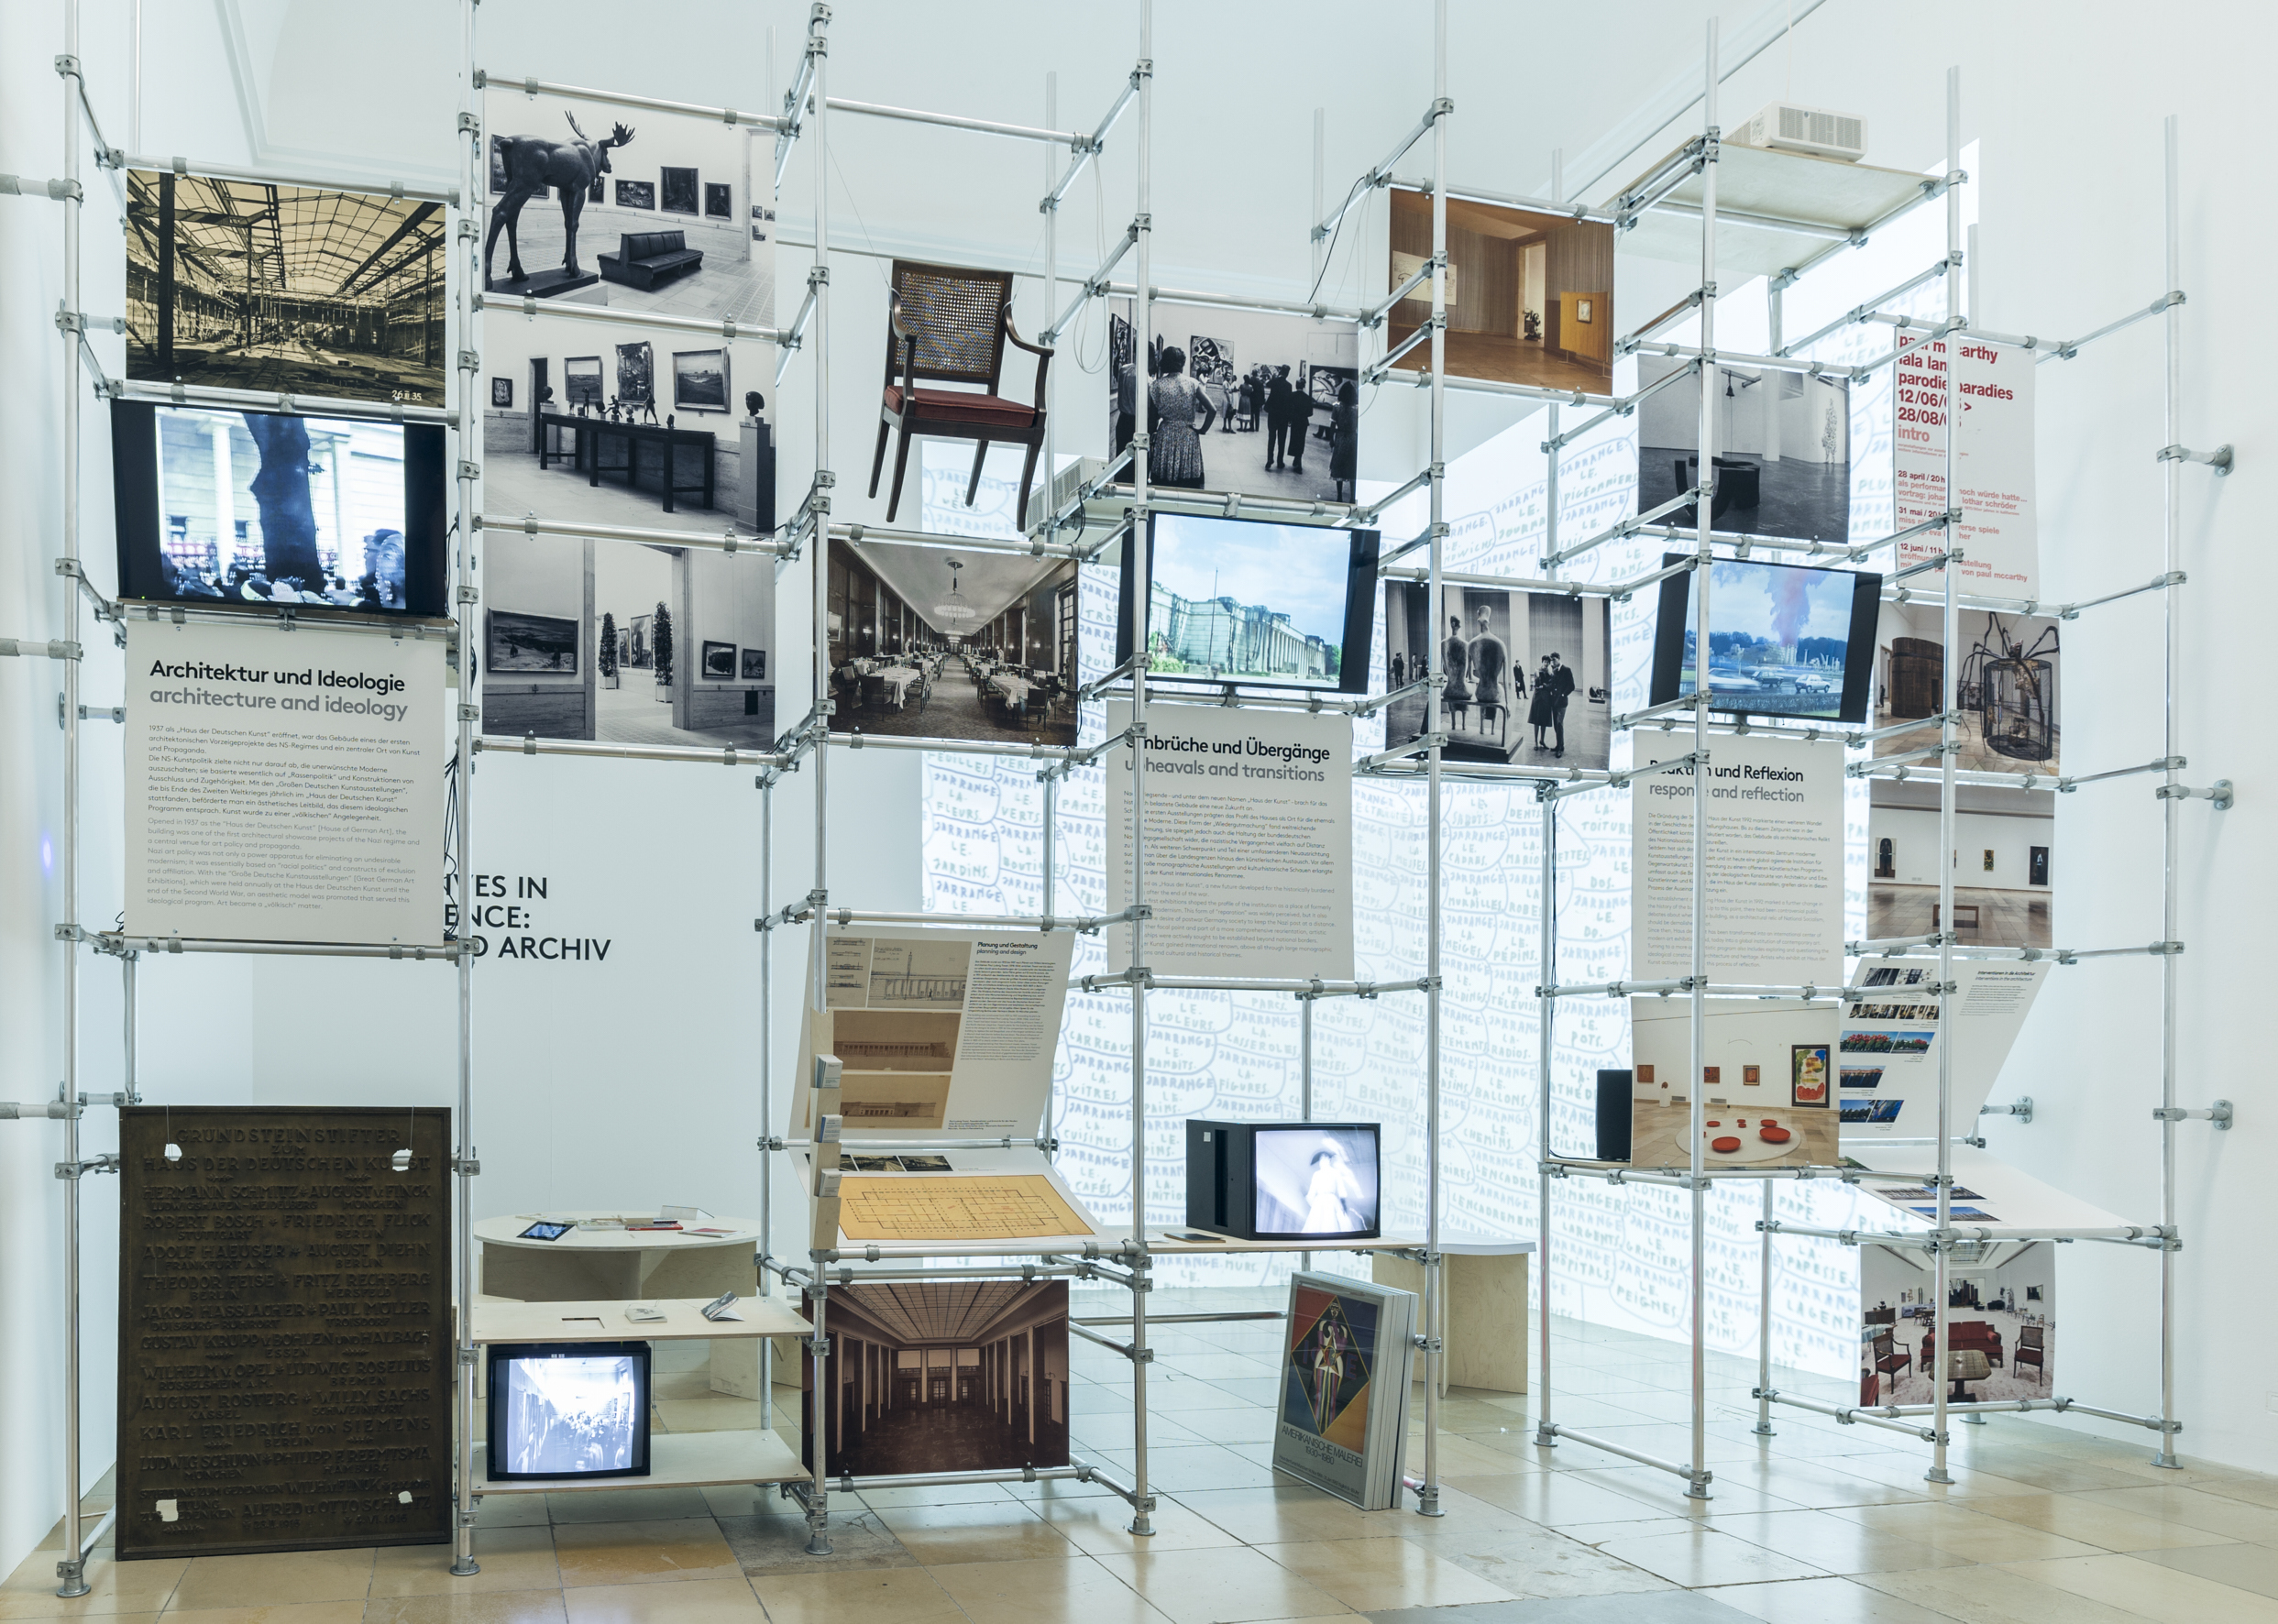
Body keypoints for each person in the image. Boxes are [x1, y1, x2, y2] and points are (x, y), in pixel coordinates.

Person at [1147, 345, 1213, 488]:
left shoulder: (1157, 385)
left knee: (1164, 481)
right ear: (1182, 364)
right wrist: (1202, 430)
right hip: (1188, 435)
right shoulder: (1193, 384)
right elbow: (1212, 410)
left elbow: (1152, 418)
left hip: (1166, 435)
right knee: (1187, 479)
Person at [1466, 600, 1509, 745]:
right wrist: (1507, 704)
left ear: (1478, 618)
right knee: (1498, 687)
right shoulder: (1499, 644)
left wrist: (1480, 681)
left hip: (1481, 693)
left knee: (1482, 689)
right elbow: (1506, 677)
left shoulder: (1472, 644)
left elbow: (1469, 677)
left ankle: (1482, 728)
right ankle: (1491, 730)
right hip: (1495, 693)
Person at [1301, 1141, 1368, 1234]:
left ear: (1329, 1159)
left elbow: (1341, 1189)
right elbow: (1312, 1192)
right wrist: (1306, 1195)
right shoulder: (1316, 1175)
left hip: (1331, 1200)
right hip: (1319, 1201)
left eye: (1326, 1157)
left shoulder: (1335, 1172)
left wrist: (1343, 1204)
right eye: (1321, 1159)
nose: (1323, 1160)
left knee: (1331, 1223)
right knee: (1316, 1224)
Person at [1541, 650, 1577, 756]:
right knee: (1556, 725)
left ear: (1559, 659)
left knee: (1559, 723)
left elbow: (1572, 686)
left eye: (1554, 660)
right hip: (1554, 703)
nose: (1552, 662)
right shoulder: (1555, 671)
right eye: (1551, 660)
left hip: (1562, 703)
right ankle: (1559, 745)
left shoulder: (1566, 670)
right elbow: (1552, 685)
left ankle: (1560, 749)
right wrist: (1543, 685)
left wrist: (1563, 695)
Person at [1328, 379, 1359, 503]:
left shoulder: (1337, 407)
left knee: (1338, 467)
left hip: (1340, 438)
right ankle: (1352, 497)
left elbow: (1332, 425)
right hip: (1352, 439)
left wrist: (1331, 439)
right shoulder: (1357, 409)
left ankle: (1339, 496)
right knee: (1351, 467)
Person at [1441, 613, 1470, 732]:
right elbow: (1466, 670)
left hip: (1449, 689)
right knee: (1466, 690)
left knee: (1451, 693)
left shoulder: (1443, 643)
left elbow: (1445, 668)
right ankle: (1463, 724)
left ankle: (1453, 724)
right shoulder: (1465, 644)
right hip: (1463, 690)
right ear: (1455, 625)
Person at [1264, 365, 1294, 469]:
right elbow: (1289, 402)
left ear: (1281, 371)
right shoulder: (1289, 386)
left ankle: (1269, 459)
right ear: (1287, 374)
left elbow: (1268, 383)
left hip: (1273, 414)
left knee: (1271, 437)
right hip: (1283, 416)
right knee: (1282, 439)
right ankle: (1280, 461)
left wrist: (1275, 377)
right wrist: (1290, 418)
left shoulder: (1275, 382)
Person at [1284, 372, 1315, 476]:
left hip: (1295, 421)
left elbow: (1288, 409)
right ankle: (1298, 459)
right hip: (1303, 422)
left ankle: (1297, 459)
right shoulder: (1307, 398)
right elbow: (1310, 413)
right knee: (1301, 441)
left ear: (1296, 385)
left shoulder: (1292, 396)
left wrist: (1290, 418)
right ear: (1304, 386)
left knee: (1294, 439)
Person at [1528, 655, 1556, 749]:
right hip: (1538, 698)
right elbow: (1537, 684)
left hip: (1546, 699)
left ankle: (1542, 740)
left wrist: (1545, 685)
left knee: (1544, 720)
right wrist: (1541, 680)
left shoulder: (1550, 673)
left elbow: (1551, 685)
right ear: (1542, 662)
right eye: (1544, 661)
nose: (1546, 663)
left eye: (1547, 662)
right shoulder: (1537, 671)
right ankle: (1535, 742)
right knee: (1536, 720)